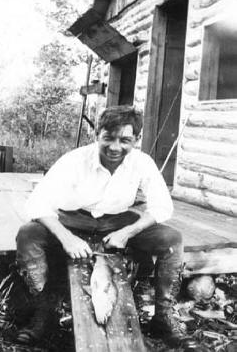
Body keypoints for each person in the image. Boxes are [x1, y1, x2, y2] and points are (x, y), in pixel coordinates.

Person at [15, 105, 186, 346]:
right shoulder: (74, 160)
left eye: (125, 140)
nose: (115, 147)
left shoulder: (142, 162)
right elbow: (36, 203)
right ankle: (43, 313)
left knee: (172, 239)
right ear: (97, 134)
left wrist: (128, 232)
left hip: (117, 221)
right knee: (28, 234)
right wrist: (66, 237)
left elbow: (162, 207)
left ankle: (163, 317)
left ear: (136, 140)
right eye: (108, 138)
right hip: (73, 218)